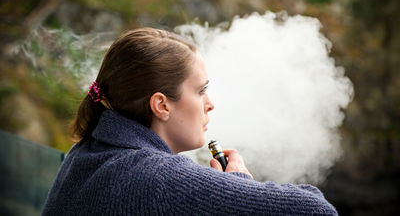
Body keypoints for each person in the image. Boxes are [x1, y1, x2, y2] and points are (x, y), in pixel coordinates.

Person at [43, 27, 338, 215]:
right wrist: (238, 186)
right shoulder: (159, 178)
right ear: (161, 105)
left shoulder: (84, 153)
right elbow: (316, 210)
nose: (211, 104)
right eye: (201, 90)